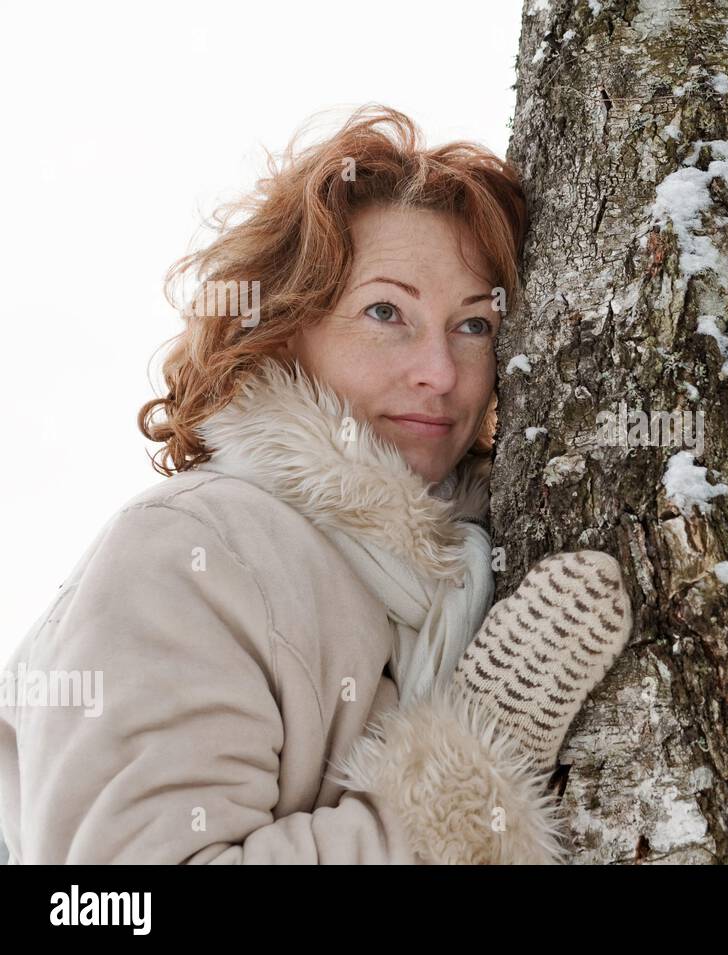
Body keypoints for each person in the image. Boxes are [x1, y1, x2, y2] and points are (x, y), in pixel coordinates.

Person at [0, 105, 632, 864]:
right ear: (283, 327)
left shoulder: (472, 560)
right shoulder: (186, 552)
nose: (437, 371)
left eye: (473, 324)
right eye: (385, 311)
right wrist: (468, 780)